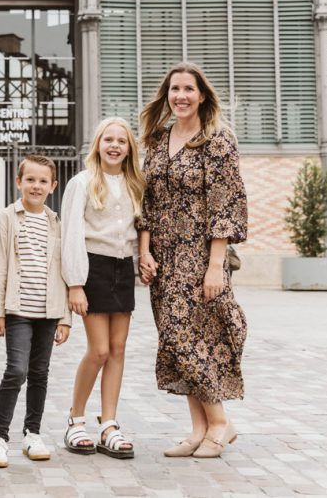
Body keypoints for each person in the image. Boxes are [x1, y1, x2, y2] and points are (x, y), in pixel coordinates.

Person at [138, 62, 248, 459]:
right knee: (174, 339)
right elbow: (146, 201)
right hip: (163, 257)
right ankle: (199, 427)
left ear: (202, 95)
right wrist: (144, 249)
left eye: (188, 88)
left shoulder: (217, 139)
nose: (180, 96)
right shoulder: (156, 139)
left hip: (199, 254)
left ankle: (220, 422)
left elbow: (225, 204)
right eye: (174, 89)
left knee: (195, 337)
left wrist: (216, 264)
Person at [60, 117, 145, 459]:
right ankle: (75, 419)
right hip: (92, 267)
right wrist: (75, 284)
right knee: (98, 351)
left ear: (129, 148)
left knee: (118, 349)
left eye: (120, 141)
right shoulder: (82, 182)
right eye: (107, 139)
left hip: (122, 268)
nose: (114, 146)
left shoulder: (135, 183)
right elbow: (71, 234)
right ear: (97, 144)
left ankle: (109, 423)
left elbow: (140, 230)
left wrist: (143, 261)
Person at [0, 154, 71, 469]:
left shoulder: (56, 221)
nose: (36, 186)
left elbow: (63, 271)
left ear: (53, 185)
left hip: (49, 313)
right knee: (16, 370)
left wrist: (65, 317)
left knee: (39, 374)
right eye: (30, 180)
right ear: (18, 182)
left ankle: (32, 432)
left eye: (43, 181)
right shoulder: (7, 218)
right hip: (18, 310)